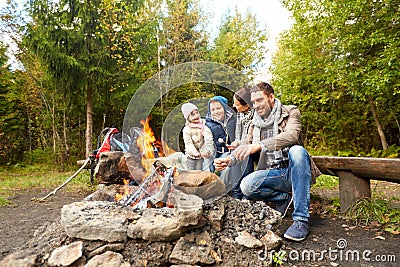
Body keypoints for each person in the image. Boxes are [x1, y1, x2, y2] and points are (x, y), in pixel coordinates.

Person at [214, 82, 321, 242]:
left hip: (295, 171)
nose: (256, 105)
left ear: (271, 97)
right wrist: (230, 160)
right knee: (246, 186)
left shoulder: (290, 112)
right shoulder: (254, 123)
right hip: (274, 174)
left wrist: (260, 145)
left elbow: (292, 136)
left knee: (297, 151)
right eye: (253, 102)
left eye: (259, 100)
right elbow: (245, 146)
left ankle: (300, 220)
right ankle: (282, 198)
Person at [230, 87, 255, 200]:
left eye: (237, 104)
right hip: (242, 145)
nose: (234, 106)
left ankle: (246, 195)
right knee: (234, 154)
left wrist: (239, 144)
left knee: (246, 155)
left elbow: (251, 139)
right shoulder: (240, 114)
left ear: (247, 106)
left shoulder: (256, 116)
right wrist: (236, 142)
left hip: (254, 147)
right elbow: (238, 134)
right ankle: (236, 193)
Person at [204, 96, 236, 172]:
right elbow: (209, 142)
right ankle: (207, 180)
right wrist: (208, 152)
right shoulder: (208, 125)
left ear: (224, 108)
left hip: (229, 151)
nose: (216, 112)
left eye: (218, 108)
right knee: (207, 162)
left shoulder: (233, 119)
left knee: (225, 167)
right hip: (215, 151)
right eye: (212, 110)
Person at [181, 103, 214, 170]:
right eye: (192, 114)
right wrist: (194, 152)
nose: (196, 115)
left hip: (201, 155)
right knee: (191, 171)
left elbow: (209, 139)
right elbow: (188, 143)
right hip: (191, 155)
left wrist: (206, 151)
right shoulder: (187, 129)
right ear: (187, 117)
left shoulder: (203, 125)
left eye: (197, 113)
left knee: (199, 171)